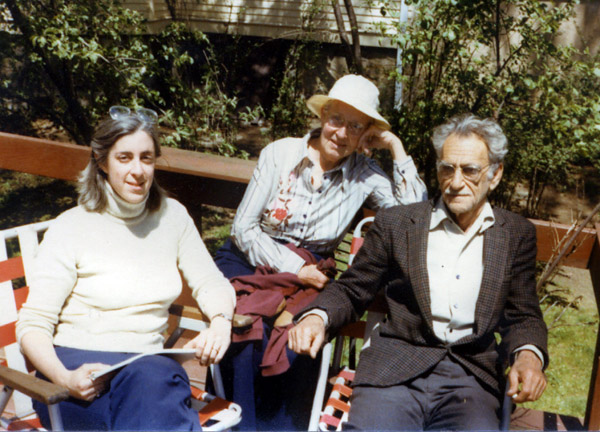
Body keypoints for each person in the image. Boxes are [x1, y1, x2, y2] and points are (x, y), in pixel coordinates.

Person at [289, 113, 548, 430]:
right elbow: (352, 289)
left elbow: (523, 315)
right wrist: (318, 316)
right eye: (446, 168)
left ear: (495, 175)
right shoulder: (397, 223)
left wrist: (528, 357)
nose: (455, 183)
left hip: (470, 379)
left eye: (470, 171)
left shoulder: (515, 234)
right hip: (395, 371)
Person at [213, 74, 428, 430]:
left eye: (356, 126)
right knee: (246, 329)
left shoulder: (367, 175)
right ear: (323, 115)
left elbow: (415, 218)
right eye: (336, 120)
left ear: (366, 135)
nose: (342, 134)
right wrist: (293, 267)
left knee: (301, 335)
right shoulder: (280, 153)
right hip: (250, 256)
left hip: (314, 269)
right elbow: (243, 229)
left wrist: (395, 147)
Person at [16, 106, 236, 431]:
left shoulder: (172, 217)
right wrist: (64, 377)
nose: (138, 170)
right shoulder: (72, 227)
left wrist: (220, 323)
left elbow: (211, 282)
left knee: (154, 384)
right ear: (102, 162)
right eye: (124, 158)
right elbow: (32, 324)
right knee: (157, 405)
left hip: (145, 365)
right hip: (78, 370)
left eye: (146, 158)